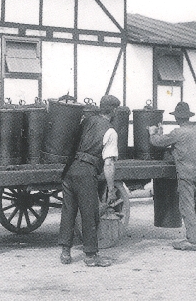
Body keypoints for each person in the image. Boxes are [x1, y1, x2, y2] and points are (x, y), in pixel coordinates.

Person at [57, 94, 120, 267]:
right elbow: (108, 164)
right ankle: (91, 256)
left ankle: (65, 253)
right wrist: (111, 188)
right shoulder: (110, 131)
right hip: (86, 172)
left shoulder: (86, 121)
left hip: (70, 169)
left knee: (68, 211)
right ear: (114, 111)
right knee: (89, 213)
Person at [150, 101, 196, 250]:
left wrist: (153, 132)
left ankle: (192, 241)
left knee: (187, 207)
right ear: (188, 117)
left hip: (186, 175)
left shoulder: (178, 132)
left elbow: (157, 142)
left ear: (177, 118)